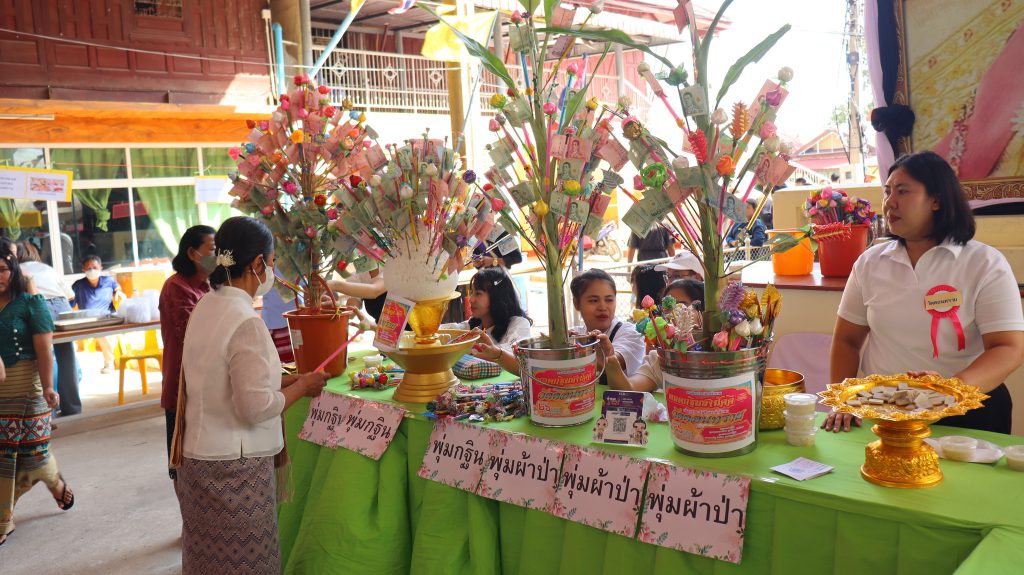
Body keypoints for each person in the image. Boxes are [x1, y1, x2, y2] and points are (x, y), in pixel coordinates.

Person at [823, 151, 1024, 433]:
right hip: (885, 410)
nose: (890, 202)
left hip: (966, 413)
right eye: (887, 191)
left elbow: (1009, 348)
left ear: (936, 200)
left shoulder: (984, 263)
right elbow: (847, 340)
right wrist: (842, 401)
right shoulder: (870, 263)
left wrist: (948, 390)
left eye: (903, 191)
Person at [173, 216, 328, 574]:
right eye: (271, 263)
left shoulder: (206, 306)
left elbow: (217, 380)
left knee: (208, 564)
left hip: (197, 461)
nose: (271, 271)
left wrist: (285, 381)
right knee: (247, 564)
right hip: (235, 470)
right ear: (257, 263)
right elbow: (255, 407)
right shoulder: (246, 321)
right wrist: (302, 387)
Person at [1, 243, 74, 546]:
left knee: (31, 455)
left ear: (14, 269)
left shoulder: (30, 303)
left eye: (2, 270)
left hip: (29, 388)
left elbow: (45, 351)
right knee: (9, 457)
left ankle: (51, 483)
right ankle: (5, 518)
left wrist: (48, 387)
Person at [158, 225, 215, 481]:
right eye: (212, 249)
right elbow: (194, 335)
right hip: (183, 386)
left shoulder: (210, 286)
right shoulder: (176, 287)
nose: (218, 255)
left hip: (206, 383)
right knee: (182, 465)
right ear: (193, 253)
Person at [17, 241, 81, 416]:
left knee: (43, 355)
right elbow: (70, 295)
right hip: (62, 306)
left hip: (38, 306)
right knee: (67, 356)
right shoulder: (47, 268)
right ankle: (72, 408)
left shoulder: (17, 270)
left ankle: (48, 411)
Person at [444, 267, 533, 374]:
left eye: (478, 293)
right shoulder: (473, 326)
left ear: (497, 296)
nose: (471, 299)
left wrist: (472, 352)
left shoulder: (518, 324)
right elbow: (445, 331)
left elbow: (518, 357)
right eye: (471, 292)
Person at [568, 269, 645, 380]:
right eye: (594, 300)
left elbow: (612, 362)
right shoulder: (574, 336)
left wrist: (570, 352)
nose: (602, 307)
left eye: (609, 300)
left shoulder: (631, 333)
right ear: (576, 303)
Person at [71, 255, 123, 374]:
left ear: (101, 268)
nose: (92, 270)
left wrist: (118, 293)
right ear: (83, 270)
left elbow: (118, 289)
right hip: (86, 320)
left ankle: (109, 364)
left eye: (94, 267)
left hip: (106, 319)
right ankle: (73, 369)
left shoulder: (109, 281)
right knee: (70, 341)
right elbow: (70, 303)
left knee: (106, 335)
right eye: (88, 268)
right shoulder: (78, 285)